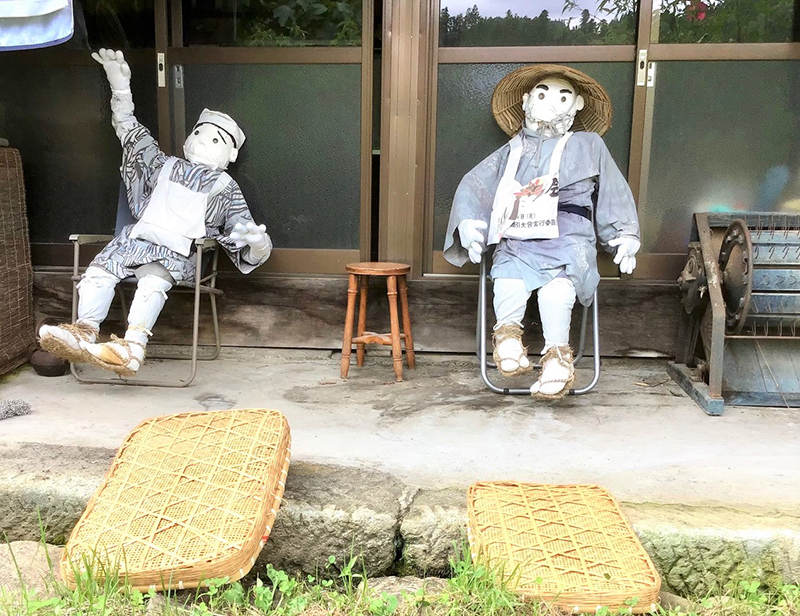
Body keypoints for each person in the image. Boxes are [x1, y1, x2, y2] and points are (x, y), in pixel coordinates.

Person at [39, 48, 272, 377]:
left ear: (230, 154)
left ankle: (132, 346)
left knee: (151, 281)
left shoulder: (225, 187)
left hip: (179, 252)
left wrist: (258, 244)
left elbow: (242, 230)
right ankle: (84, 331)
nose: (202, 141)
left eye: (215, 139)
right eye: (198, 133)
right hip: (135, 241)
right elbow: (130, 134)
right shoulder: (163, 165)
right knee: (98, 273)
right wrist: (121, 88)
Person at [443, 64, 640, 400]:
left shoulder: (590, 145)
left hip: (569, 237)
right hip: (517, 237)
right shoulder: (511, 150)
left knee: (556, 291)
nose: (551, 101)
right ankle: (507, 341)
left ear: (577, 104)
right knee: (507, 277)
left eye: (563, 96)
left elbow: (613, 190)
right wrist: (467, 222)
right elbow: (475, 185)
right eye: (542, 93)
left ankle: (557, 360)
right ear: (526, 101)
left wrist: (624, 233)